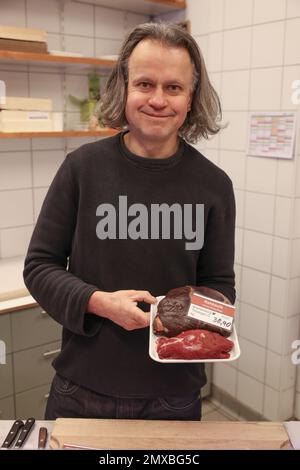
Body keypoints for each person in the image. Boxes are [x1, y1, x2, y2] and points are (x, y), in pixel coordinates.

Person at [23, 22, 235, 421]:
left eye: (173, 87)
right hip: (81, 388)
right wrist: (99, 303)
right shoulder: (81, 169)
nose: (158, 99)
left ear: (191, 98)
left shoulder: (214, 186)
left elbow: (220, 286)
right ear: (124, 89)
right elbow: (38, 267)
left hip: (173, 395)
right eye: (144, 84)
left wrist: (190, 321)